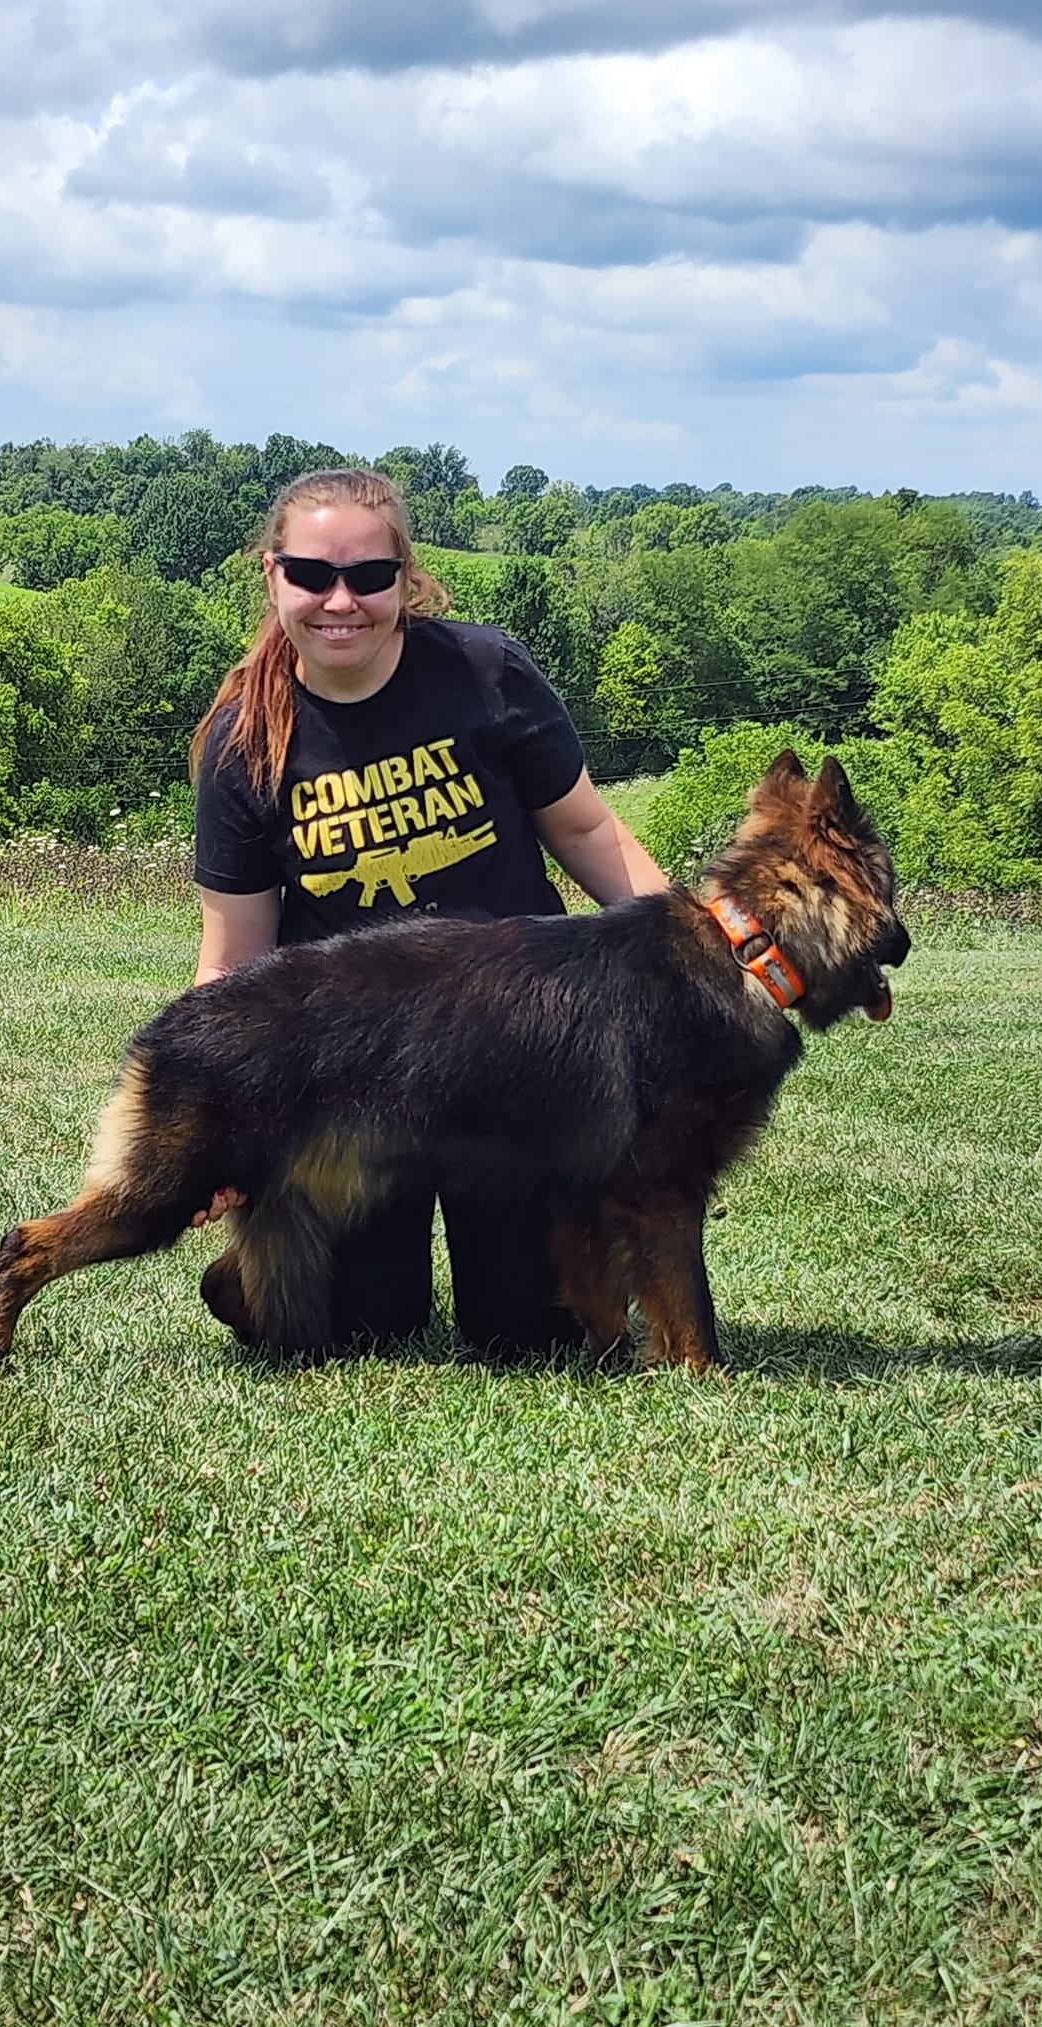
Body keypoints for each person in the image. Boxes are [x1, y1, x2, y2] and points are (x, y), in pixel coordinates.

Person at [188, 465, 667, 1358]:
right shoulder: (243, 742)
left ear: (407, 578)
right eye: (312, 576)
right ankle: (257, 1267)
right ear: (271, 575)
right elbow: (233, 962)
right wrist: (221, 1124)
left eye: (369, 577)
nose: (341, 601)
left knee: (542, 1335)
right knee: (359, 1328)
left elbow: (588, 830)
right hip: (352, 1071)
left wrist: (693, 948)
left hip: (520, 1050)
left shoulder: (484, 672)